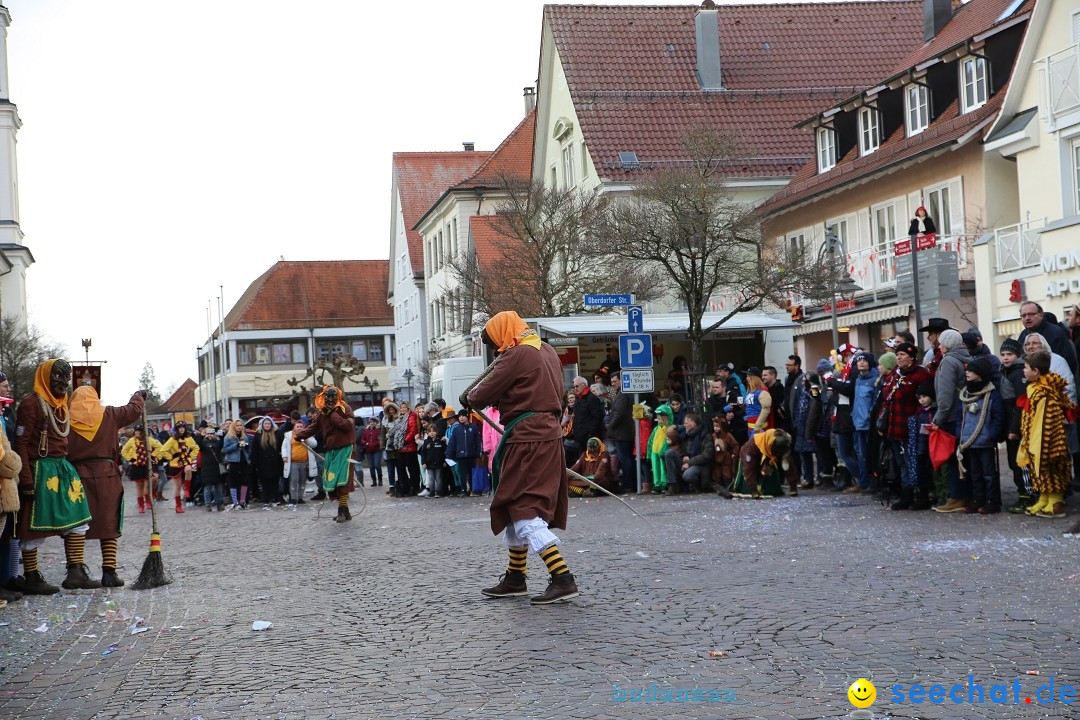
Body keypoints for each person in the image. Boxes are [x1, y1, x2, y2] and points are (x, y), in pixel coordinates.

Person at [466, 310, 578, 605]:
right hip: (546, 436)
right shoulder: (547, 350)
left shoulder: (516, 355)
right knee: (514, 505)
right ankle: (516, 577)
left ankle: (562, 577)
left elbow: (479, 396)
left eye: (493, 343)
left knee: (524, 507)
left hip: (529, 440)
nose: (495, 349)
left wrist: (470, 398)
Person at [13, 359, 99, 593]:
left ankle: (76, 573)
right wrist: (27, 480)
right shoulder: (31, 405)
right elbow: (20, 443)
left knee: (80, 519)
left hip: (62, 469)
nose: (63, 383)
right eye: (58, 377)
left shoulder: (61, 405)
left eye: (66, 378)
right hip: (41, 471)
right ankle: (31, 577)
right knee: (33, 527)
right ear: (44, 378)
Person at [66, 386, 144, 587]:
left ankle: (74, 571)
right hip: (106, 474)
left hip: (76, 476)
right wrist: (138, 396)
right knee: (109, 521)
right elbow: (133, 410)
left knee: (77, 523)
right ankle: (109, 573)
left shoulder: (65, 418)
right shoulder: (109, 413)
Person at [1017, 350, 1075, 518]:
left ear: (1036, 371)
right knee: (1039, 472)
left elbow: (1045, 422)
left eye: (1026, 367)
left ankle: (1056, 502)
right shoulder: (1035, 388)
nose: (1023, 370)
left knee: (1051, 470)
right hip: (1033, 438)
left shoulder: (1045, 394)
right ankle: (1044, 498)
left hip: (1047, 441)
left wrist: (1041, 443)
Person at [878, 343, 933, 510]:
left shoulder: (920, 374)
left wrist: (915, 420)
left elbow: (923, 401)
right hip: (894, 426)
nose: (899, 357)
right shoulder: (895, 373)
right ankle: (906, 494)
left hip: (911, 426)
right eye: (898, 354)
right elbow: (886, 399)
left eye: (902, 354)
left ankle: (920, 495)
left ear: (911, 357)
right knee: (901, 462)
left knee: (914, 461)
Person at [295, 385, 357, 522]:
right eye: (327, 397)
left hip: (345, 449)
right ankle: (345, 510)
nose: (330, 400)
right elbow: (313, 427)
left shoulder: (345, 409)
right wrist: (300, 436)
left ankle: (341, 510)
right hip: (331, 450)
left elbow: (347, 425)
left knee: (343, 481)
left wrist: (333, 414)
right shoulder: (322, 413)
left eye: (333, 397)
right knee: (332, 481)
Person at [930, 330, 973, 513]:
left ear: (947, 344)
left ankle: (956, 497)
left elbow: (945, 395)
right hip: (966, 414)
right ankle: (968, 494)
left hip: (951, 417)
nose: (939, 345)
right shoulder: (967, 358)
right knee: (965, 458)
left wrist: (938, 418)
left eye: (941, 343)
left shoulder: (948, 361)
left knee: (954, 459)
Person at [955, 357, 1004, 514]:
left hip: (985, 441)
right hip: (968, 441)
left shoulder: (992, 394)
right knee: (974, 474)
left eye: (970, 370)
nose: (966, 373)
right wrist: (960, 435)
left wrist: (992, 435)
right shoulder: (966, 393)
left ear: (980, 373)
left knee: (989, 473)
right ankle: (978, 499)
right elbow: (959, 418)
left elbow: (998, 417)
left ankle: (992, 501)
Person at [998, 339, 1030, 513]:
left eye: (1009, 354)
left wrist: (1014, 428)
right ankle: (1023, 494)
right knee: (1013, 463)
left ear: (1017, 355)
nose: (1005, 358)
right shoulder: (1005, 372)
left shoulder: (1018, 374)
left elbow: (1020, 404)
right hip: (1010, 424)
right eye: (1003, 354)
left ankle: (1026, 496)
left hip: (1016, 427)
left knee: (1020, 463)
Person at [1017, 302, 1079, 377]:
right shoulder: (1023, 336)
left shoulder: (1056, 333)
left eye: (1031, 314)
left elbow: (1069, 362)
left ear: (1041, 315)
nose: (1027, 318)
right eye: (1023, 315)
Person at [731, 428, 796, 498]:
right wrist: (754, 490)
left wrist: (793, 486)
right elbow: (748, 469)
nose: (781, 451)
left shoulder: (782, 446)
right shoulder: (751, 448)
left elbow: (789, 467)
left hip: (768, 457)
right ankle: (752, 489)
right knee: (747, 484)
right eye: (779, 448)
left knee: (772, 487)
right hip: (751, 461)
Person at [849, 352, 880, 494]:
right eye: (859, 361)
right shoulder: (858, 379)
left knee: (870, 454)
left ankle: (873, 482)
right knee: (861, 454)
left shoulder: (875, 379)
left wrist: (870, 414)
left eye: (864, 361)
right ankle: (864, 482)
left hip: (869, 424)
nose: (861, 363)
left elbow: (875, 400)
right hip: (858, 422)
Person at [159, 422, 200, 513]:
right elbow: (163, 450)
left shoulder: (189, 438)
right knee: (177, 486)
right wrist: (170, 457)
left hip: (186, 461)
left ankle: (186, 488)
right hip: (175, 464)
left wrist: (191, 456)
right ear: (176, 429)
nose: (181, 429)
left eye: (183, 427)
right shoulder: (172, 439)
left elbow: (196, 448)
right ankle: (178, 506)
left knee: (189, 469)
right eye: (179, 428)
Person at [667, 412, 713, 494]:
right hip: (687, 461)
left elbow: (707, 455)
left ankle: (697, 486)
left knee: (687, 475)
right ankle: (673, 485)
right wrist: (684, 456)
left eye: (686, 423)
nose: (684, 425)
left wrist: (690, 462)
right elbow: (682, 450)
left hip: (699, 464)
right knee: (669, 453)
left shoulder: (705, 436)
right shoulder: (685, 435)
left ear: (693, 424)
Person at [605, 370, 635, 494]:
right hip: (622, 432)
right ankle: (629, 483)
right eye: (612, 382)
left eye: (615, 381)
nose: (613, 384)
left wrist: (610, 426)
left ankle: (629, 484)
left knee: (625, 459)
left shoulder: (623, 394)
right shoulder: (621, 393)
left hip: (622, 432)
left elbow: (619, 413)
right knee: (625, 458)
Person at [281, 417, 316, 506]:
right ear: (294, 427)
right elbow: (284, 446)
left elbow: (314, 444)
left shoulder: (307, 435)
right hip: (293, 462)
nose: (299, 428)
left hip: (304, 462)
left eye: (301, 426)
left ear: (303, 428)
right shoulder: (288, 435)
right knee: (294, 480)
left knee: (302, 480)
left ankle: (300, 498)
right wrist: (284, 456)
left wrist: (307, 439)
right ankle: (293, 498)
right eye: (298, 426)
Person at [447, 408, 481, 497]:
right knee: (462, 473)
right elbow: (452, 443)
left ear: (467, 417)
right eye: (460, 416)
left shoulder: (473, 427)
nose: (461, 418)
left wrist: (478, 452)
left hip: (471, 454)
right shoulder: (456, 429)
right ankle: (463, 490)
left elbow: (478, 441)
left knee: (471, 473)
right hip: (460, 455)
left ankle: (473, 489)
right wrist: (449, 454)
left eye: (463, 416)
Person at [249, 417, 283, 506]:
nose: (267, 425)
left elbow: (281, 447)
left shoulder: (277, 433)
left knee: (275, 482)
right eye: (265, 424)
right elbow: (254, 450)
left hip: (275, 462)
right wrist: (254, 464)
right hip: (262, 463)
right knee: (264, 482)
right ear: (262, 425)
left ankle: (276, 498)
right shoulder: (258, 434)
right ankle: (266, 499)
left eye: (268, 424)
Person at [223, 419, 251, 509]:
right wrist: (236, 445)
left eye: (240, 425)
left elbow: (248, 450)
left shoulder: (245, 436)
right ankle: (235, 502)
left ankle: (243, 501)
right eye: (237, 425)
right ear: (234, 426)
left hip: (244, 461)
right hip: (233, 461)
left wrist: (247, 446)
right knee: (234, 482)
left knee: (244, 481)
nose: (239, 427)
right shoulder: (229, 437)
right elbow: (225, 449)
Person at [646, 404, 674, 495]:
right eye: (659, 418)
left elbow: (670, 441)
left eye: (663, 419)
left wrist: (664, 450)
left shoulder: (669, 429)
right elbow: (650, 441)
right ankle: (656, 484)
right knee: (655, 469)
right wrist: (649, 453)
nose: (661, 421)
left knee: (663, 469)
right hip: (655, 453)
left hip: (662, 452)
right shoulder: (656, 429)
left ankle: (663, 484)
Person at [198, 424, 226, 511]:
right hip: (206, 468)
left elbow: (222, 444)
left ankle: (219, 503)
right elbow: (198, 445)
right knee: (207, 487)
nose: (210, 435)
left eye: (211, 433)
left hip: (216, 467)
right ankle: (208, 504)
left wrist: (221, 434)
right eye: (208, 433)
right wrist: (200, 435)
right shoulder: (203, 443)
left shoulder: (217, 442)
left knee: (218, 486)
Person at [418, 424, 447, 498]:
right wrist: (423, 462)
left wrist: (444, 461)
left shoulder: (441, 441)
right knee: (431, 478)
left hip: (439, 463)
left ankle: (439, 491)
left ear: (437, 432)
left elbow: (444, 452)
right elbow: (423, 453)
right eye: (430, 431)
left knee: (438, 478)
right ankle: (431, 492)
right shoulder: (426, 442)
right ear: (427, 433)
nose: (432, 433)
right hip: (429, 463)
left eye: (433, 431)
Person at [742, 368, 772, 438]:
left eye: (749, 376)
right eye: (747, 376)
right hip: (751, 427)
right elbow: (750, 408)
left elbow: (766, 409)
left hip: (759, 429)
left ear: (755, 378)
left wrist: (757, 426)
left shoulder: (762, 392)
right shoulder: (751, 392)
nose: (747, 378)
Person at [359, 417, 383, 487]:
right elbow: (362, 439)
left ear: (376, 422)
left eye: (373, 422)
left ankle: (380, 479)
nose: (372, 423)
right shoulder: (366, 430)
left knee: (377, 464)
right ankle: (374, 480)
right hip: (369, 451)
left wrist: (373, 444)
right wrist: (366, 443)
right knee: (371, 466)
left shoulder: (379, 430)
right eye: (370, 422)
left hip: (377, 450)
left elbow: (380, 439)